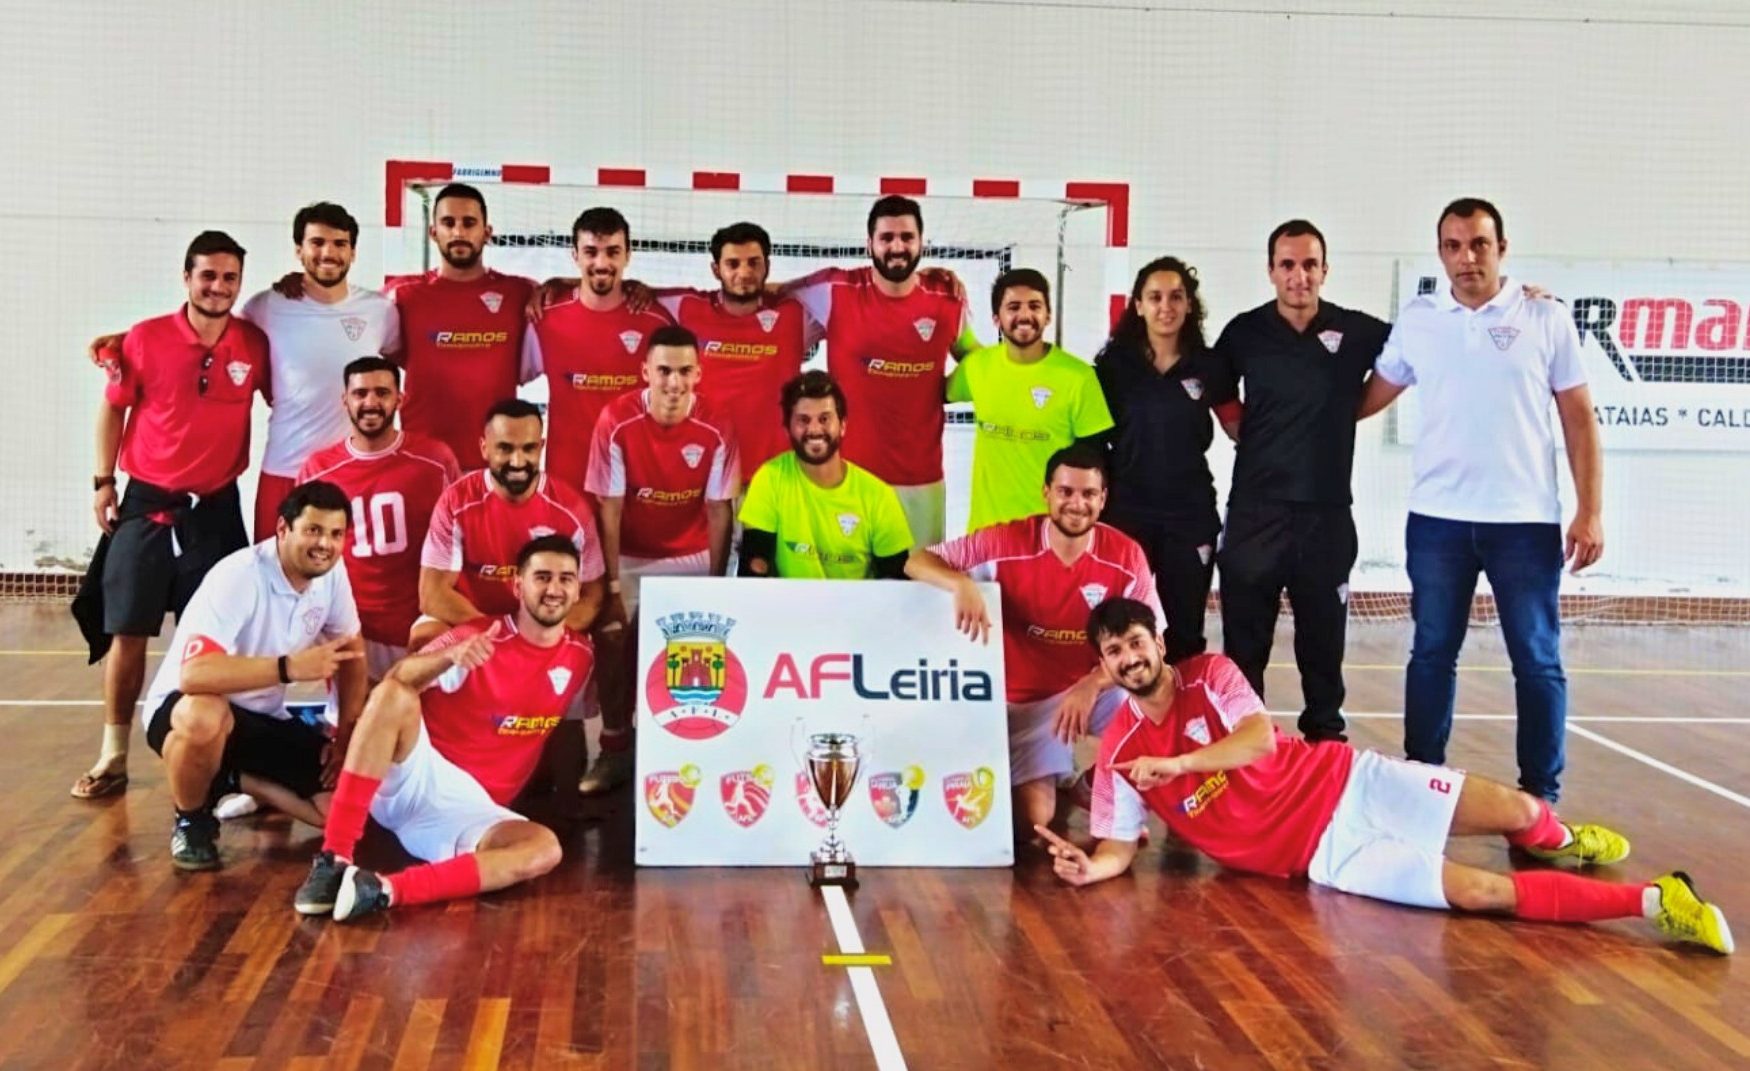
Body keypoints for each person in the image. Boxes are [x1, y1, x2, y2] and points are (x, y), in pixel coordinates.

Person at [1038, 597, 1731, 957]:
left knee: (1523, 811)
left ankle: (1561, 837)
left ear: (1157, 642)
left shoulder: (1211, 674)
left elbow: (1255, 743)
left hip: (1349, 780)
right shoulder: (1122, 750)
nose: (1129, 657)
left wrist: (1182, 764)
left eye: (1135, 642)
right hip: (1327, 854)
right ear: (1104, 665)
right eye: (1113, 652)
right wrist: (1085, 869)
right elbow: (1120, 847)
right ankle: (1657, 900)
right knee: (1483, 890)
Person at [1359, 198, 1604, 803]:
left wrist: (1590, 510)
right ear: (1440, 251)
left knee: (1537, 660)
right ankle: (1422, 784)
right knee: (1432, 654)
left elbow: (1579, 419)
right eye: (1453, 246)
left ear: (1502, 248)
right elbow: (1364, 399)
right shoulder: (1419, 319)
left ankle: (1540, 797)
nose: (1466, 258)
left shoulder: (1546, 317)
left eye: (1479, 245)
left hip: (1525, 525)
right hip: (1437, 522)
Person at [293, 535, 594, 921]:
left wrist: (569, 802)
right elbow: (398, 678)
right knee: (394, 695)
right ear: (519, 585)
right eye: (543, 577)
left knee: (545, 849)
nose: (554, 589)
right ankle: (333, 858)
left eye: (566, 579)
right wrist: (447, 657)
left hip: (469, 810)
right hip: (416, 774)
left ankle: (382, 890)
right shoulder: (480, 636)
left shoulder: (581, 656)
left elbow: (568, 729)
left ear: (577, 589)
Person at [72, 231, 270, 801]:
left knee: (219, 638)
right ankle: (113, 755)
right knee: (127, 631)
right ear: (186, 278)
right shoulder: (143, 339)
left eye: (229, 278)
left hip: (216, 508)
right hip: (146, 502)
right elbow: (113, 411)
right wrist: (103, 482)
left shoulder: (254, 344)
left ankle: (226, 762)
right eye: (207, 276)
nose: (218, 287)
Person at [85, 204, 401, 541]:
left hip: (355, 468)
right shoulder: (266, 307)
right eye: (317, 242)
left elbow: (406, 361)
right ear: (299, 250)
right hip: (285, 468)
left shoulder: (380, 311)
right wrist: (128, 340)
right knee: (275, 577)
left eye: (340, 243)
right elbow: (210, 326)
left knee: (353, 579)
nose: (328, 252)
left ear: (353, 252)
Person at [1199, 222, 1393, 743]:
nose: (1299, 276)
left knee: (1323, 642)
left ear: (1325, 270)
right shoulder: (1244, 332)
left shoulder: (1357, 330)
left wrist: (1354, 409)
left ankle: (1325, 741)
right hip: (1255, 512)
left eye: (1310, 265)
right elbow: (1217, 392)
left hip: (1325, 514)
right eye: (1288, 265)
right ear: (1271, 271)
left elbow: (1418, 350)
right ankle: (1243, 738)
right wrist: (1255, 435)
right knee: (1245, 641)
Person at [906, 444, 1157, 838]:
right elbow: (917, 560)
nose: (1076, 504)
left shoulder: (1125, 555)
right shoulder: (1006, 543)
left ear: (1103, 498)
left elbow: (1150, 648)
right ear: (1046, 493)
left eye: (1088, 494)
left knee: (1154, 715)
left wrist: (1092, 683)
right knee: (1036, 822)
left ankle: (1091, 787)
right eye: (1066, 492)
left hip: (1088, 690)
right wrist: (961, 583)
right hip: (1023, 703)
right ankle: (1033, 765)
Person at [141, 481, 367, 869]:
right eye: (313, 530)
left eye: (335, 534)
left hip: (260, 718)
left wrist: (345, 733)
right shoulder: (239, 577)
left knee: (340, 815)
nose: (325, 544)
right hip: (185, 709)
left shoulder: (331, 573)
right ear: (283, 529)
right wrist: (288, 667)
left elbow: (353, 653)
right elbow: (194, 675)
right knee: (205, 717)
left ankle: (232, 777)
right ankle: (192, 820)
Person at [579, 325, 737, 794]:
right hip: (626, 553)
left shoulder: (717, 425)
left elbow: (718, 510)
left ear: (698, 374)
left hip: (689, 555)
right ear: (644, 371)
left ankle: (685, 756)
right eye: (664, 371)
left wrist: (714, 585)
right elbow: (609, 508)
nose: (674, 382)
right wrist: (610, 587)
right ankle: (613, 748)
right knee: (610, 637)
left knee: (696, 652)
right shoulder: (616, 419)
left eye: (685, 371)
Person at [781, 195, 981, 544]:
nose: (897, 246)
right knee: (850, 590)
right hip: (846, 477)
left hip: (921, 482)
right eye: (887, 238)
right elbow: (759, 293)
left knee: (917, 586)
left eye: (907, 237)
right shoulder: (835, 289)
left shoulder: (949, 299)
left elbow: (983, 364)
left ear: (922, 243)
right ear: (869, 243)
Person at [1094, 256, 1232, 663]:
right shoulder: (1114, 366)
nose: (1165, 306)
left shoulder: (1209, 366)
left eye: (1176, 296)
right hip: (1126, 511)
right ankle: (1123, 719)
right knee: (1122, 625)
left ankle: (1185, 720)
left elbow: (1238, 427)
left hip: (1189, 514)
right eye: (1155, 297)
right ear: (1138, 305)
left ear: (1190, 304)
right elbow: (1093, 441)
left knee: (1184, 627)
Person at [299, 357, 460, 680]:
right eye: (360, 394)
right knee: (353, 724)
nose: (370, 403)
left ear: (399, 399)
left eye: (382, 393)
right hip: (352, 625)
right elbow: (304, 555)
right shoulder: (318, 470)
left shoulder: (435, 459)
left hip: (419, 622)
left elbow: (460, 542)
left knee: (420, 723)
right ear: (345, 400)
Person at [417, 399, 605, 648]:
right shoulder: (455, 501)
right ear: (484, 448)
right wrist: (499, 635)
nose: (517, 462)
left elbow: (591, 598)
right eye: (505, 449)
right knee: (425, 636)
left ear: (541, 447)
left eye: (528, 449)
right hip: (476, 624)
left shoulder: (572, 509)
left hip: (542, 627)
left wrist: (537, 633)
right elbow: (432, 595)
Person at [521, 206, 674, 492]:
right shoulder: (545, 315)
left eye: (613, 252)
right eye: (591, 252)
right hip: (569, 480)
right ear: (575, 255)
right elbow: (506, 377)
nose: (602, 262)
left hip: (636, 479)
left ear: (628, 255)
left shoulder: (656, 320)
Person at [948, 268, 1112, 532]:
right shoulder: (977, 367)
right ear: (996, 319)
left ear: (1048, 316)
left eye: (1034, 306)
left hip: (1049, 537)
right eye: (1013, 307)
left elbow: (1095, 466)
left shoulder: (1078, 378)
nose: (1024, 315)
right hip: (985, 536)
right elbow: (926, 390)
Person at [387, 183, 537, 468]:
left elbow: (584, 295)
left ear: (487, 232)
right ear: (433, 233)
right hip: (422, 462)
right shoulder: (400, 295)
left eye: (469, 223)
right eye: (448, 223)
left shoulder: (521, 293)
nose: (458, 232)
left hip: (495, 463)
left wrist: (635, 287)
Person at [738, 370, 913, 579]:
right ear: (787, 429)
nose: (814, 429)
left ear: (843, 426)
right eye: (803, 420)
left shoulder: (878, 496)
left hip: (857, 611)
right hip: (789, 609)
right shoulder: (769, 479)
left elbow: (897, 579)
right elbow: (755, 564)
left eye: (824, 419)